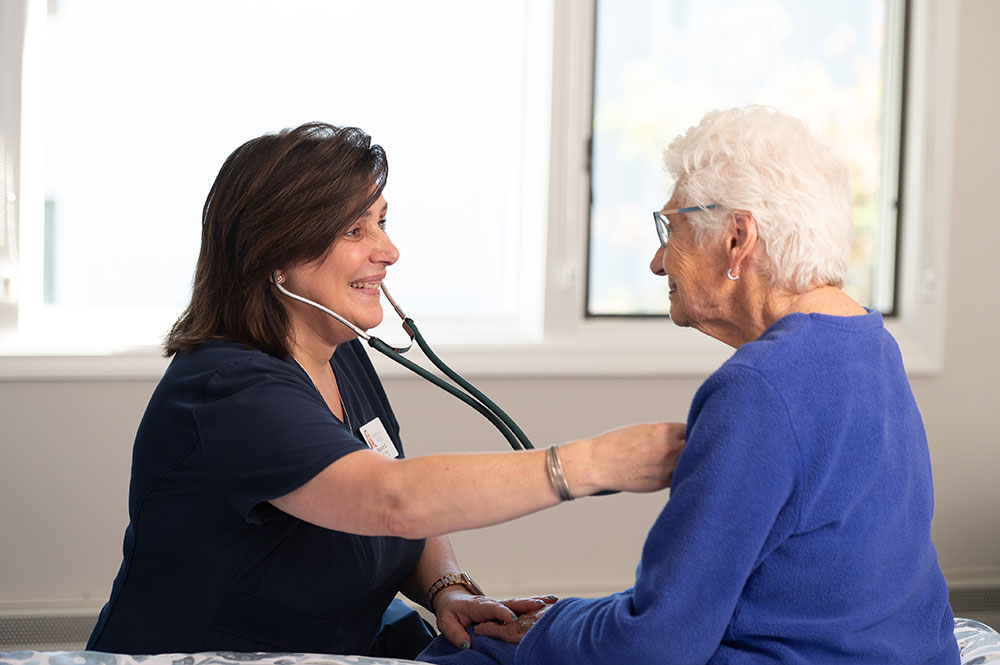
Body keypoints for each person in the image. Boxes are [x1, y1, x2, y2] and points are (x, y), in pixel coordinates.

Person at [86, 122, 686, 659]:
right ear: (273, 256)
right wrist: (592, 463)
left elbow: (404, 494)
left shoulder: (338, 350)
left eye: (382, 220)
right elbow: (392, 499)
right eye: (355, 229)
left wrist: (445, 586)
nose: (389, 251)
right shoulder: (231, 391)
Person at [418, 106, 960, 664]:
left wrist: (548, 625)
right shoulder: (868, 339)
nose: (657, 262)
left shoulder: (759, 388)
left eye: (669, 229)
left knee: (465, 652)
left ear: (737, 238)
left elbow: (659, 644)